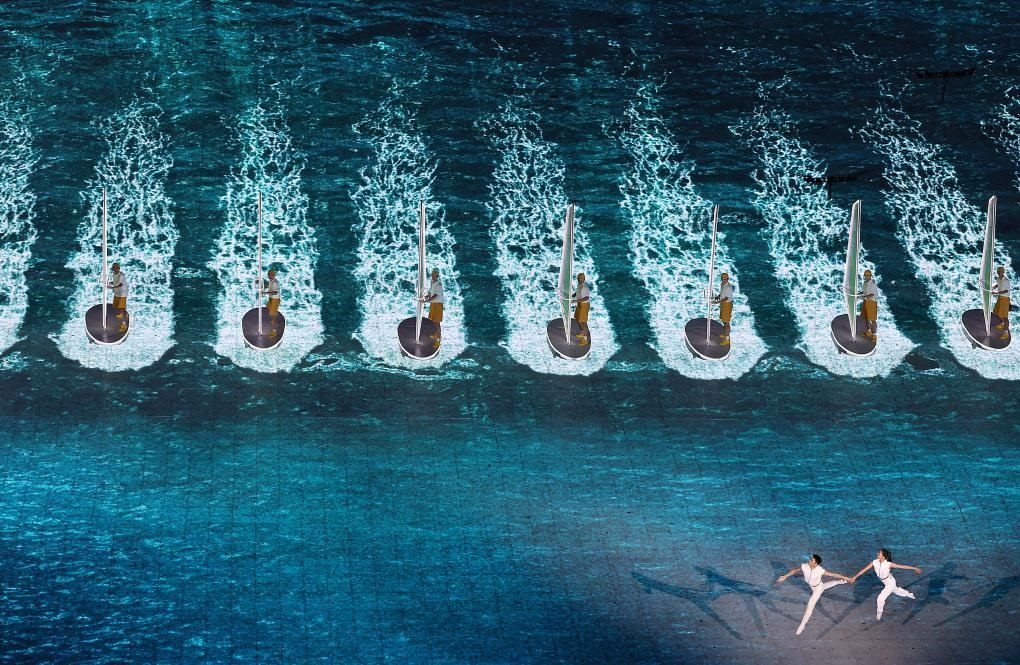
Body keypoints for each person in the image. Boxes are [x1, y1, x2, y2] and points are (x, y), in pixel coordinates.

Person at [777, 554, 851, 635]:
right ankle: (841, 581)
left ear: (815, 563)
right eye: (810, 559)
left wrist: (847, 577)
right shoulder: (805, 566)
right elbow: (795, 570)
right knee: (825, 585)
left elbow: (833, 574)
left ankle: (802, 625)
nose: (809, 560)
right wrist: (785, 576)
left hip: (817, 589)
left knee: (810, 606)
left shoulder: (820, 570)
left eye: (812, 560)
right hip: (817, 586)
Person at [850, 548, 921, 620]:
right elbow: (864, 570)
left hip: (890, 582)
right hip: (885, 581)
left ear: (883, 557)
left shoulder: (889, 564)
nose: (877, 554)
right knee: (896, 590)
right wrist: (854, 577)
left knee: (880, 599)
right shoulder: (874, 562)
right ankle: (909, 594)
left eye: (879, 553)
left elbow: (902, 566)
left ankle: (879, 613)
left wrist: (915, 568)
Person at [423, 268, 444, 349]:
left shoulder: (439, 284)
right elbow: (430, 292)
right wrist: (427, 296)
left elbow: (435, 295)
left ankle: (438, 341)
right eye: (432, 275)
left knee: (437, 323)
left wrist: (427, 301)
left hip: (438, 305)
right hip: (433, 304)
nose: (433, 277)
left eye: (435, 275)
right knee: (432, 322)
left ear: (437, 276)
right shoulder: (432, 283)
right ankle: (435, 336)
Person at [713, 272, 734, 346]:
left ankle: (727, 339)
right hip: (723, 304)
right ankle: (725, 334)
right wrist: (718, 296)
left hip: (727, 305)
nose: (724, 280)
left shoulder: (729, 287)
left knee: (726, 322)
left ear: (728, 279)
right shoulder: (722, 284)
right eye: (722, 279)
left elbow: (726, 298)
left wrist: (716, 302)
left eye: (725, 279)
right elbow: (722, 293)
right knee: (723, 320)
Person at [108, 263, 128, 333]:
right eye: (114, 268)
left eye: (117, 267)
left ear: (119, 268)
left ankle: (124, 325)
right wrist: (110, 283)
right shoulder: (114, 274)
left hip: (122, 293)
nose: (116, 269)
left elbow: (120, 284)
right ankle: (122, 313)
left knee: (122, 308)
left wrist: (112, 287)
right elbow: (115, 281)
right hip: (117, 293)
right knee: (117, 307)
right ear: (113, 269)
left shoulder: (121, 275)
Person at [992, 266, 1010, 340]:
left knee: (1004, 316)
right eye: (998, 271)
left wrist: (996, 293)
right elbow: (998, 284)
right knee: (997, 312)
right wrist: (994, 287)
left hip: (1005, 299)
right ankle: (1002, 324)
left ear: (1003, 272)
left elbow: (1006, 291)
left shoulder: (1006, 281)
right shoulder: (998, 279)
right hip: (1000, 298)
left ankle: (1006, 332)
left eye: (1001, 271)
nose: (999, 273)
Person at [572, 273, 591, 346]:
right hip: (579, 304)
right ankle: (583, 332)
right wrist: (572, 295)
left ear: (584, 279)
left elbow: (586, 298)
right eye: (579, 279)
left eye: (582, 279)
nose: (580, 280)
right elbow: (577, 292)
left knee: (583, 322)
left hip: (584, 305)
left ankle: (585, 340)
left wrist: (576, 301)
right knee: (577, 319)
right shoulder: (579, 285)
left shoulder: (585, 288)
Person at [861, 269, 879, 340]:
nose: (866, 277)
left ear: (870, 276)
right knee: (867, 318)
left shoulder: (873, 284)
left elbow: (872, 294)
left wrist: (865, 297)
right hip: (867, 302)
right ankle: (869, 331)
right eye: (865, 276)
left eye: (868, 276)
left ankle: (874, 335)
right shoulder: (865, 283)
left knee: (873, 319)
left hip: (872, 302)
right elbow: (865, 291)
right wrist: (859, 293)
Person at [264, 269, 281, 337]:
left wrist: (265, 293)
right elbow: (270, 287)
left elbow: (275, 292)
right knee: (268, 310)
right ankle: (273, 322)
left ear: (274, 275)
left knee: (272, 315)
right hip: (271, 299)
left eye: (272, 275)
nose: (270, 276)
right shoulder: (271, 281)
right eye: (269, 275)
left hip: (275, 300)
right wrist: (264, 286)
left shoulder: (275, 283)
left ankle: (274, 331)